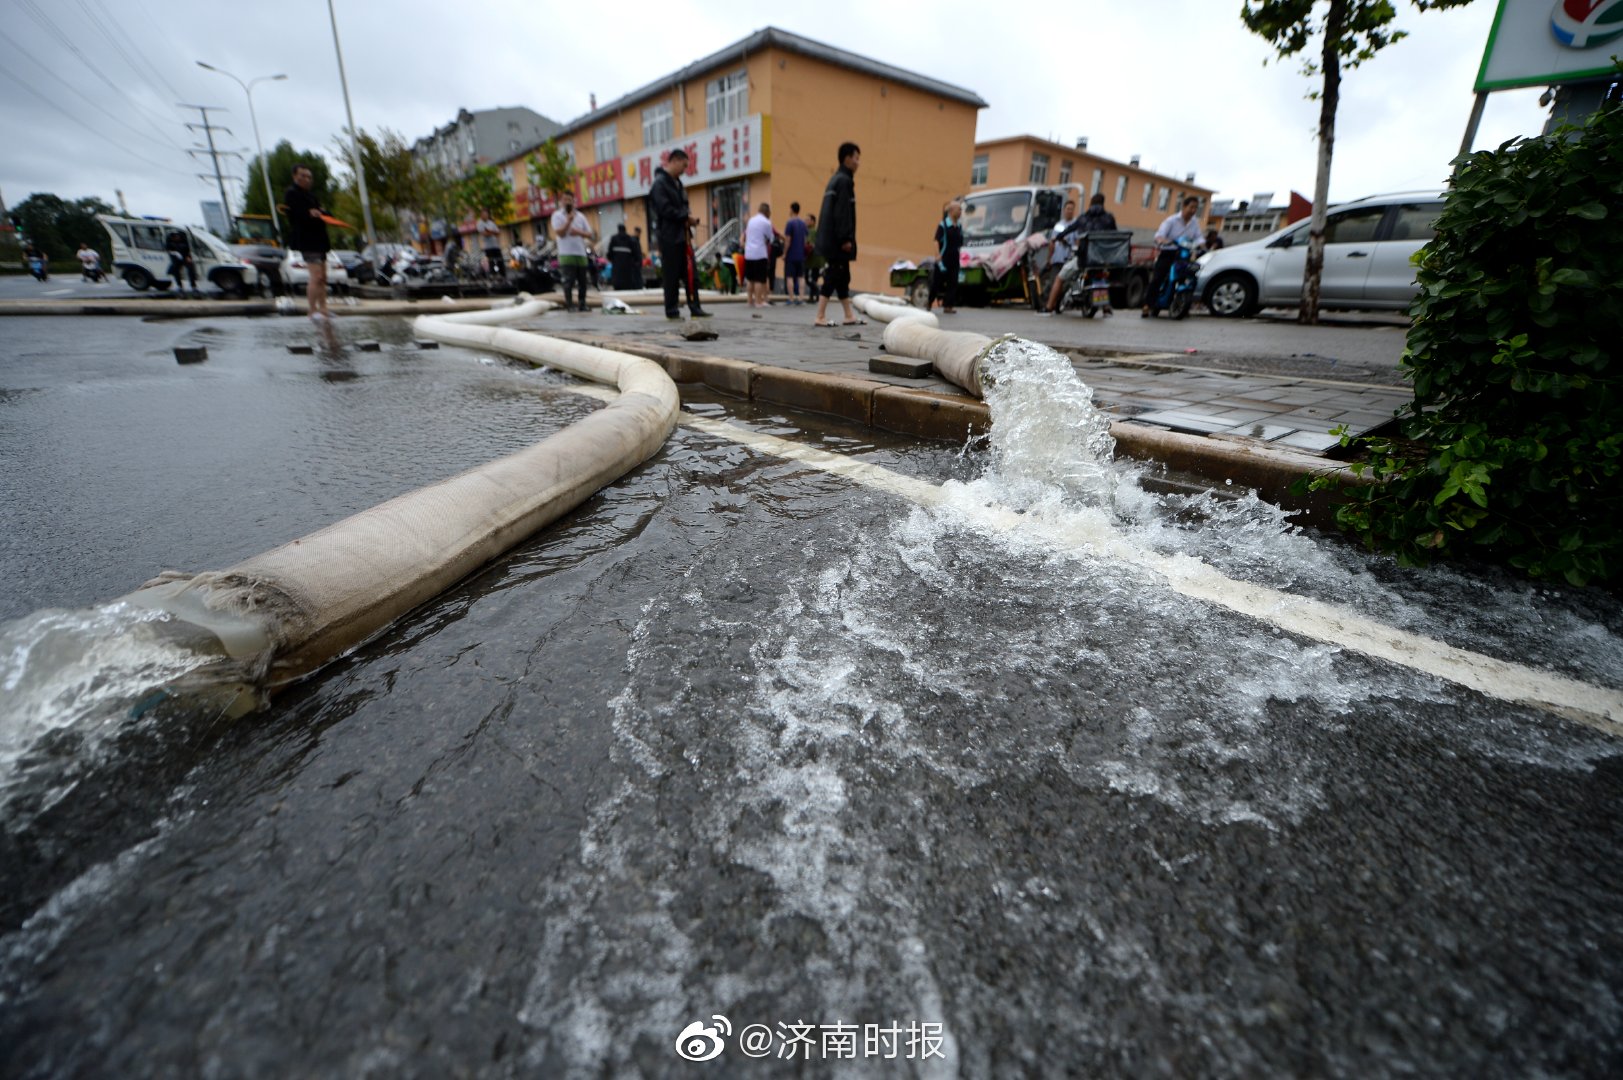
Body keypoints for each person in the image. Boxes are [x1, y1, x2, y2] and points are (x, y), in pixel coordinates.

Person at [649, 147, 709, 319]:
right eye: (683, 166)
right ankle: (672, 310)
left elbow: (684, 205)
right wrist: (685, 217)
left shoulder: (678, 183)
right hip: (669, 236)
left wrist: (688, 219)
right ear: (674, 161)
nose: (684, 170)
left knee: (691, 273)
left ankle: (695, 307)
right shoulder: (659, 184)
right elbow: (664, 209)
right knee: (671, 275)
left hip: (683, 236)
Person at [813, 141, 860, 327]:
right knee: (834, 274)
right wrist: (846, 238)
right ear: (847, 159)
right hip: (837, 240)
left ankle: (849, 315)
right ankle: (820, 316)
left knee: (842, 276)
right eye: (857, 158)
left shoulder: (836, 179)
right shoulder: (844, 181)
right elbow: (842, 213)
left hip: (830, 239)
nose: (858, 163)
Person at [1045, 193, 1117, 313]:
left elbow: (1070, 229)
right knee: (1101, 278)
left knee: (1060, 277)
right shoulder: (1109, 218)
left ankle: (1048, 307)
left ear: (1091, 203)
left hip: (1083, 259)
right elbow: (1115, 235)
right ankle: (1105, 307)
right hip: (1100, 259)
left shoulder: (1084, 217)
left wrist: (1057, 237)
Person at [284, 163, 331, 319]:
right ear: (295, 176)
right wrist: (310, 213)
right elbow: (297, 215)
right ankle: (312, 310)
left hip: (320, 239)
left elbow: (324, 212)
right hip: (307, 240)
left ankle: (323, 308)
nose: (306, 179)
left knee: (323, 277)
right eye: (302, 176)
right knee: (316, 276)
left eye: (309, 176)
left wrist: (320, 213)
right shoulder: (292, 194)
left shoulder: (312, 196)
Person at [1146, 195, 1203, 317]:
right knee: (1158, 277)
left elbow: (1199, 237)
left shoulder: (1194, 223)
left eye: (1196, 208)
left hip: (1185, 254)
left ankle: (1184, 303)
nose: (1193, 211)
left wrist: (1203, 246)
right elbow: (1160, 235)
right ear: (1184, 206)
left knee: (1192, 275)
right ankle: (1148, 305)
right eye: (1191, 207)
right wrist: (1163, 240)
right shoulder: (1171, 220)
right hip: (1169, 252)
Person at [551, 189, 595, 312]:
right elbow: (559, 233)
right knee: (568, 281)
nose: (567, 202)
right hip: (566, 254)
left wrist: (578, 232)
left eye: (570, 200)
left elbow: (589, 233)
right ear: (561, 201)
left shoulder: (580, 216)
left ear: (574, 201)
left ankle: (582, 303)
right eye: (565, 200)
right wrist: (568, 221)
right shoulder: (557, 215)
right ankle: (569, 305)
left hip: (580, 253)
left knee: (583, 281)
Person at [928, 199, 963, 314]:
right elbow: (936, 241)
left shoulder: (959, 226)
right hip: (943, 258)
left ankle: (948, 306)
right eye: (959, 209)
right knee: (937, 283)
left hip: (954, 258)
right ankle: (929, 302)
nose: (961, 211)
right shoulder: (943, 225)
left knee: (953, 283)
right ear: (952, 211)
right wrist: (937, 255)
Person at [743, 202, 774, 307]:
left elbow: (746, 234)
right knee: (759, 279)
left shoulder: (751, 220)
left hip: (748, 253)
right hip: (760, 253)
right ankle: (758, 301)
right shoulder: (766, 222)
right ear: (767, 211)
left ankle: (749, 300)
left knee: (750, 279)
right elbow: (771, 238)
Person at [782, 202, 808, 305]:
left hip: (791, 255)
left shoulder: (790, 223)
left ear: (792, 210)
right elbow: (806, 240)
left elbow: (788, 240)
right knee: (801, 277)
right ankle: (801, 298)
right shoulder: (803, 224)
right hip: (801, 254)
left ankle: (791, 298)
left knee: (790, 277)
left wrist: (784, 253)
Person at [165, 228, 201, 299]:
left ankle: (194, 287)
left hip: (185, 255)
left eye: (177, 236)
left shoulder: (184, 240)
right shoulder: (169, 241)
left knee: (191, 269)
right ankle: (180, 287)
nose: (177, 238)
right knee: (175, 270)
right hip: (175, 257)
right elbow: (168, 250)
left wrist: (188, 257)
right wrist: (175, 254)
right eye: (175, 237)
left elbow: (188, 248)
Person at [606, 224, 642, 290]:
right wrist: (636, 261)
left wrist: (610, 258)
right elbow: (635, 253)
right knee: (627, 283)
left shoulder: (614, 239)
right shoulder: (630, 239)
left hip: (617, 265)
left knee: (618, 282)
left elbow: (610, 252)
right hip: (627, 267)